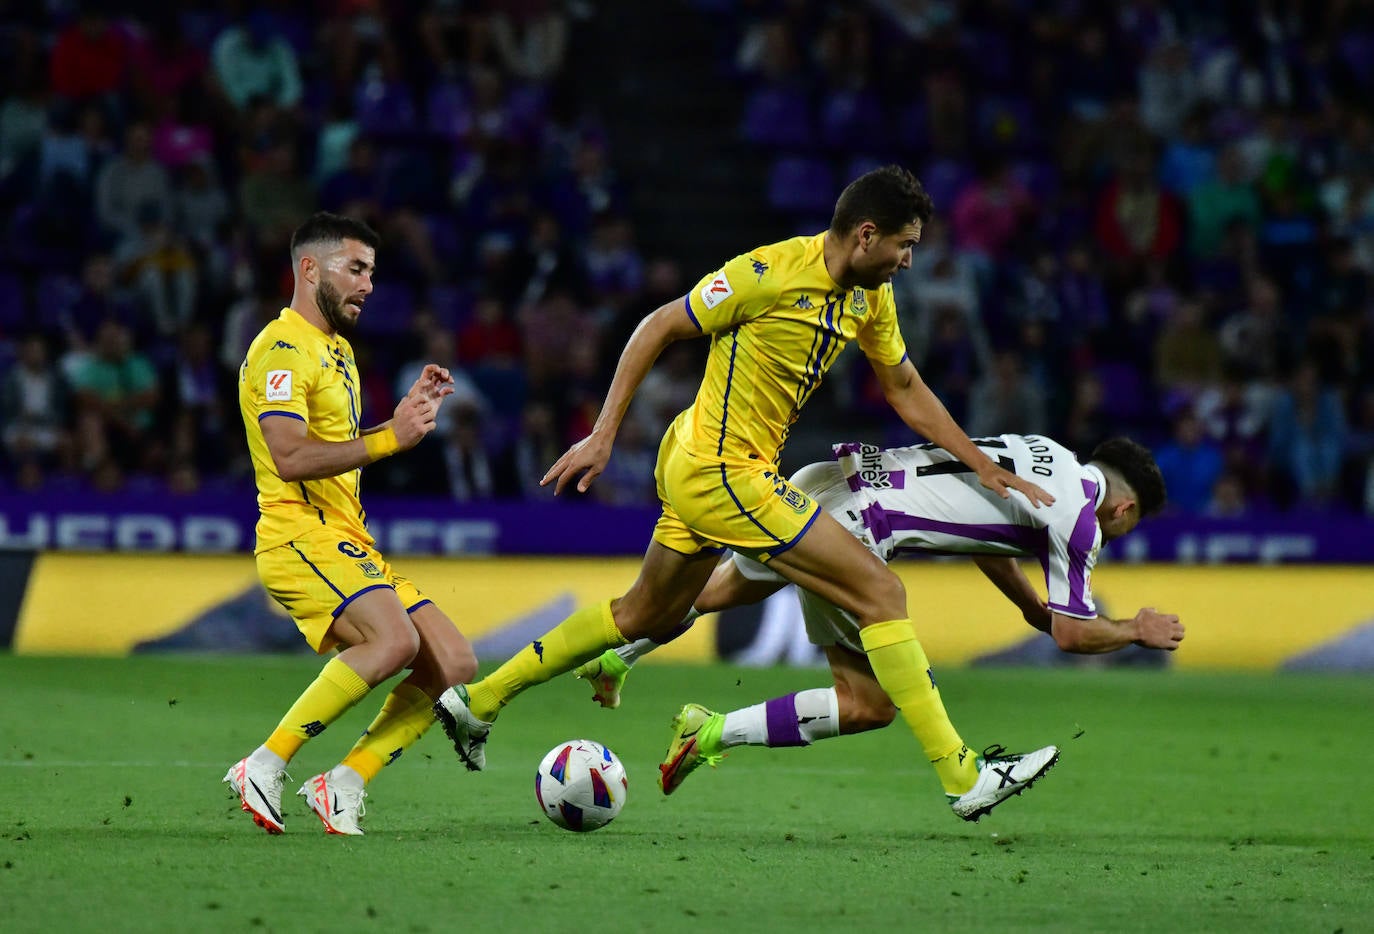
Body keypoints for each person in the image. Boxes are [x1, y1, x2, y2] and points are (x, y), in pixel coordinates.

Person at [435, 165, 1062, 822]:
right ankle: (965, 777)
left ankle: (478, 702)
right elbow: (658, 326)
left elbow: (904, 387)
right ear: (866, 235)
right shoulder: (768, 272)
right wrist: (602, 435)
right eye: (904, 245)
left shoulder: (869, 298)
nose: (909, 261)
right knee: (881, 592)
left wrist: (977, 464)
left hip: (714, 464)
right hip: (721, 470)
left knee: (642, 614)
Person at [573, 435, 1182, 810]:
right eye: (1129, 525)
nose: (1119, 534)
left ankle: (617, 657)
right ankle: (964, 775)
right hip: (862, 528)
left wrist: (1027, 607)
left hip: (828, 482)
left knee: (711, 594)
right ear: (1124, 507)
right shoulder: (1082, 519)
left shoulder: (1039, 450)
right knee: (868, 704)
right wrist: (1133, 629)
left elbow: (982, 528)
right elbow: (1074, 634)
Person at [224, 212, 477, 836]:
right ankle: (263, 763)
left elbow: (336, 447)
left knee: (453, 661)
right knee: (394, 642)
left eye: (371, 272)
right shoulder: (281, 349)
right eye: (355, 269)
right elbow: (289, 456)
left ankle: (344, 782)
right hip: (297, 534)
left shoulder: (337, 350)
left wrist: (401, 419)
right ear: (310, 269)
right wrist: (391, 439)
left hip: (346, 536)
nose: (368, 285)